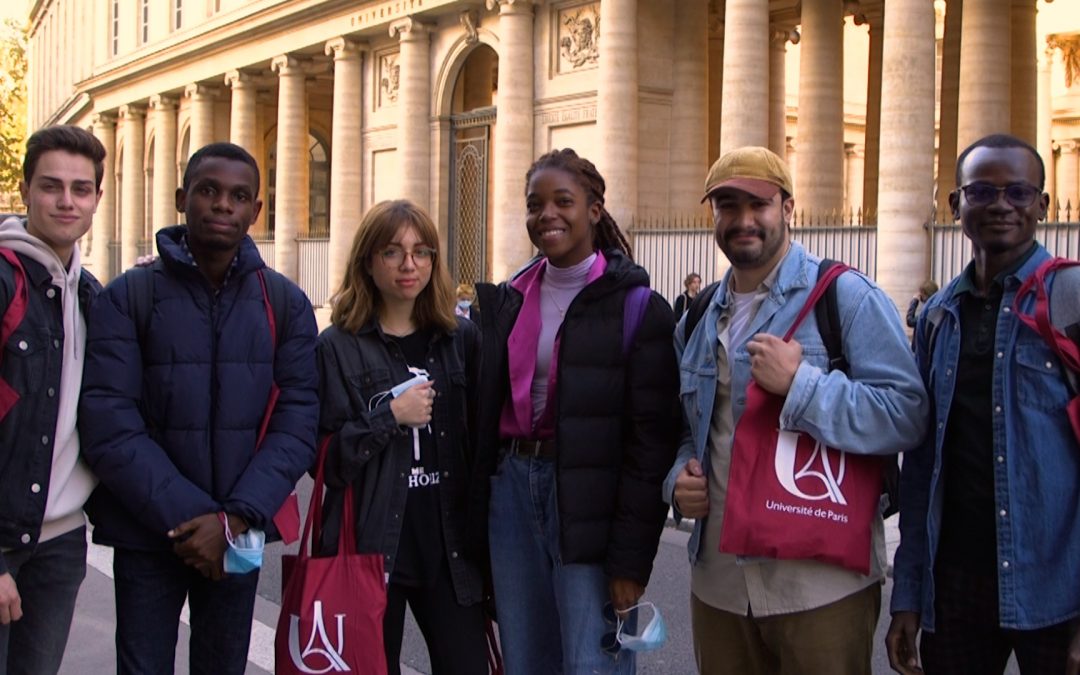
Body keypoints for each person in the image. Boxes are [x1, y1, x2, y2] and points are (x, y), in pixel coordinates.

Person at [664, 146, 927, 674]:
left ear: (788, 208)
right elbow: (686, 430)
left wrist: (801, 386)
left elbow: (906, 413)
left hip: (818, 582)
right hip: (718, 581)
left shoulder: (846, 297)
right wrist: (676, 478)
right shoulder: (695, 317)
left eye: (757, 204)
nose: (742, 220)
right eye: (727, 205)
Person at [78, 142, 319, 675]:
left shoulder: (285, 302)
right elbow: (109, 423)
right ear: (184, 197)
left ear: (257, 210)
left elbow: (298, 421)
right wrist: (194, 519)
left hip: (239, 529)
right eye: (209, 191)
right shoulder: (127, 297)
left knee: (224, 666)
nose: (222, 205)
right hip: (149, 532)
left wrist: (231, 519)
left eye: (238, 196)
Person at [470, 148, 681, 674]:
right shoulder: (508, 301)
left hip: (590, 500)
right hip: (513, 493)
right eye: (535, 204)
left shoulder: (637, 306)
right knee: (525, 660)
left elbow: (650, 443)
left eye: (563, 201)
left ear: (594, 209)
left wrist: (632, 561)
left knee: (592, 661)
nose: (547, 215)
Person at [887, 134, 1080, 675]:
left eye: (1019, 192)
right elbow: (922, 467)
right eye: (983, 191)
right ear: (955, 206)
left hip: (1057, 585)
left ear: (1043, 204)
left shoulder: (1070, 299)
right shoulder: (936, 316)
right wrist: (908, 595)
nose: (1001, 205)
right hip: (956, 588)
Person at [316, 200, 488, 675]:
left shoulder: (462, 339)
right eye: (392, 252)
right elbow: (325, 461)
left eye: (421, 251)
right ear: (368, 264)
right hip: (372, 549)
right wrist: (390, 416)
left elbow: (481, 448)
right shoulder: (337, 347)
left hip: (450, 548)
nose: (409, 265)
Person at [0, 125, 105, 675]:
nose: (67, 201)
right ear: (25, 191)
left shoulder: (91, 297)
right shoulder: (3, 280)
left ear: (96, 199)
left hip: (60, 544)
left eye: (80, 189)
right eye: (51, 186)